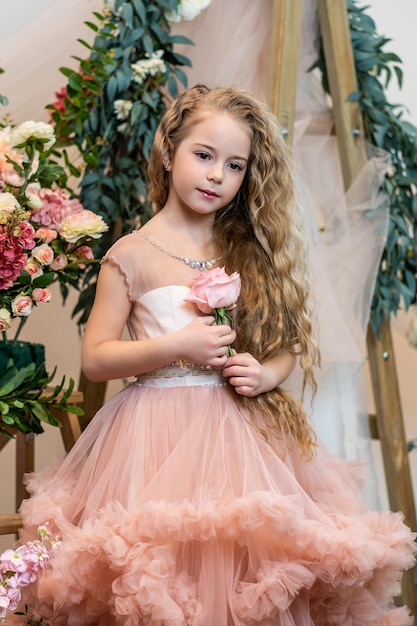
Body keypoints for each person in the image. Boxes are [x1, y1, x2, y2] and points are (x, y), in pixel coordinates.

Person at [14, 85, 416, 625]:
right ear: (168, 152)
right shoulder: (131, 254)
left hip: (239, 437)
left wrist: (265, 373)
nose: (216, 176)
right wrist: (176, 345)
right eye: (203, 156)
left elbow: (285, 349)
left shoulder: (244, 249)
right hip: (152, 438)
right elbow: (96, 358)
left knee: (241, 568)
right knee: (162, 572)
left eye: (234, 165)